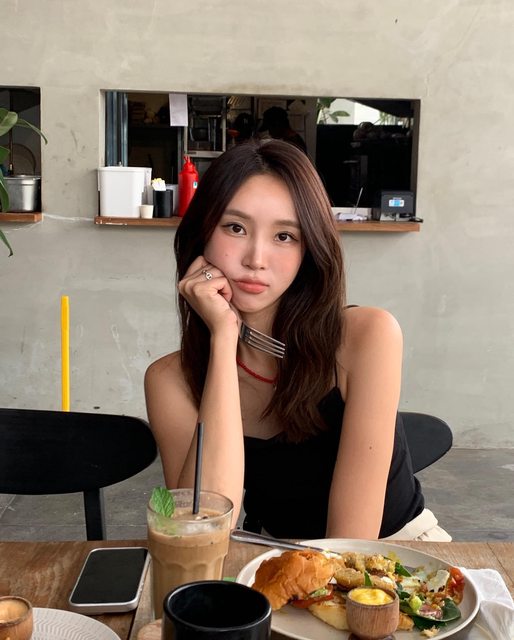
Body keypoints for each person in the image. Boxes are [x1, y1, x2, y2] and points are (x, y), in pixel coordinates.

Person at [144, 139, 451, 542]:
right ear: (202, 235)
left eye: (285, 236)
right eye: (235, 228)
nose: (256, 258)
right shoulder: (171, 379)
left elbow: (350, 544)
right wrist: (223, 339)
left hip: (393, 556)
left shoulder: (366, 336)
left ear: (309, 249)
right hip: (270, 555)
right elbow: (201, 533)